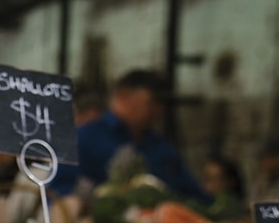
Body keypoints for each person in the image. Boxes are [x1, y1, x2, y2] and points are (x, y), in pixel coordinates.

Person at [51, 69, 208, 203]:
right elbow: (60, 191)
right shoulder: (84, 138)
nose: (158, 112)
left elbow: (191, 191)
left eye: (161, 106)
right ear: (124, 96)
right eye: (153, 102)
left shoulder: (160, 147)